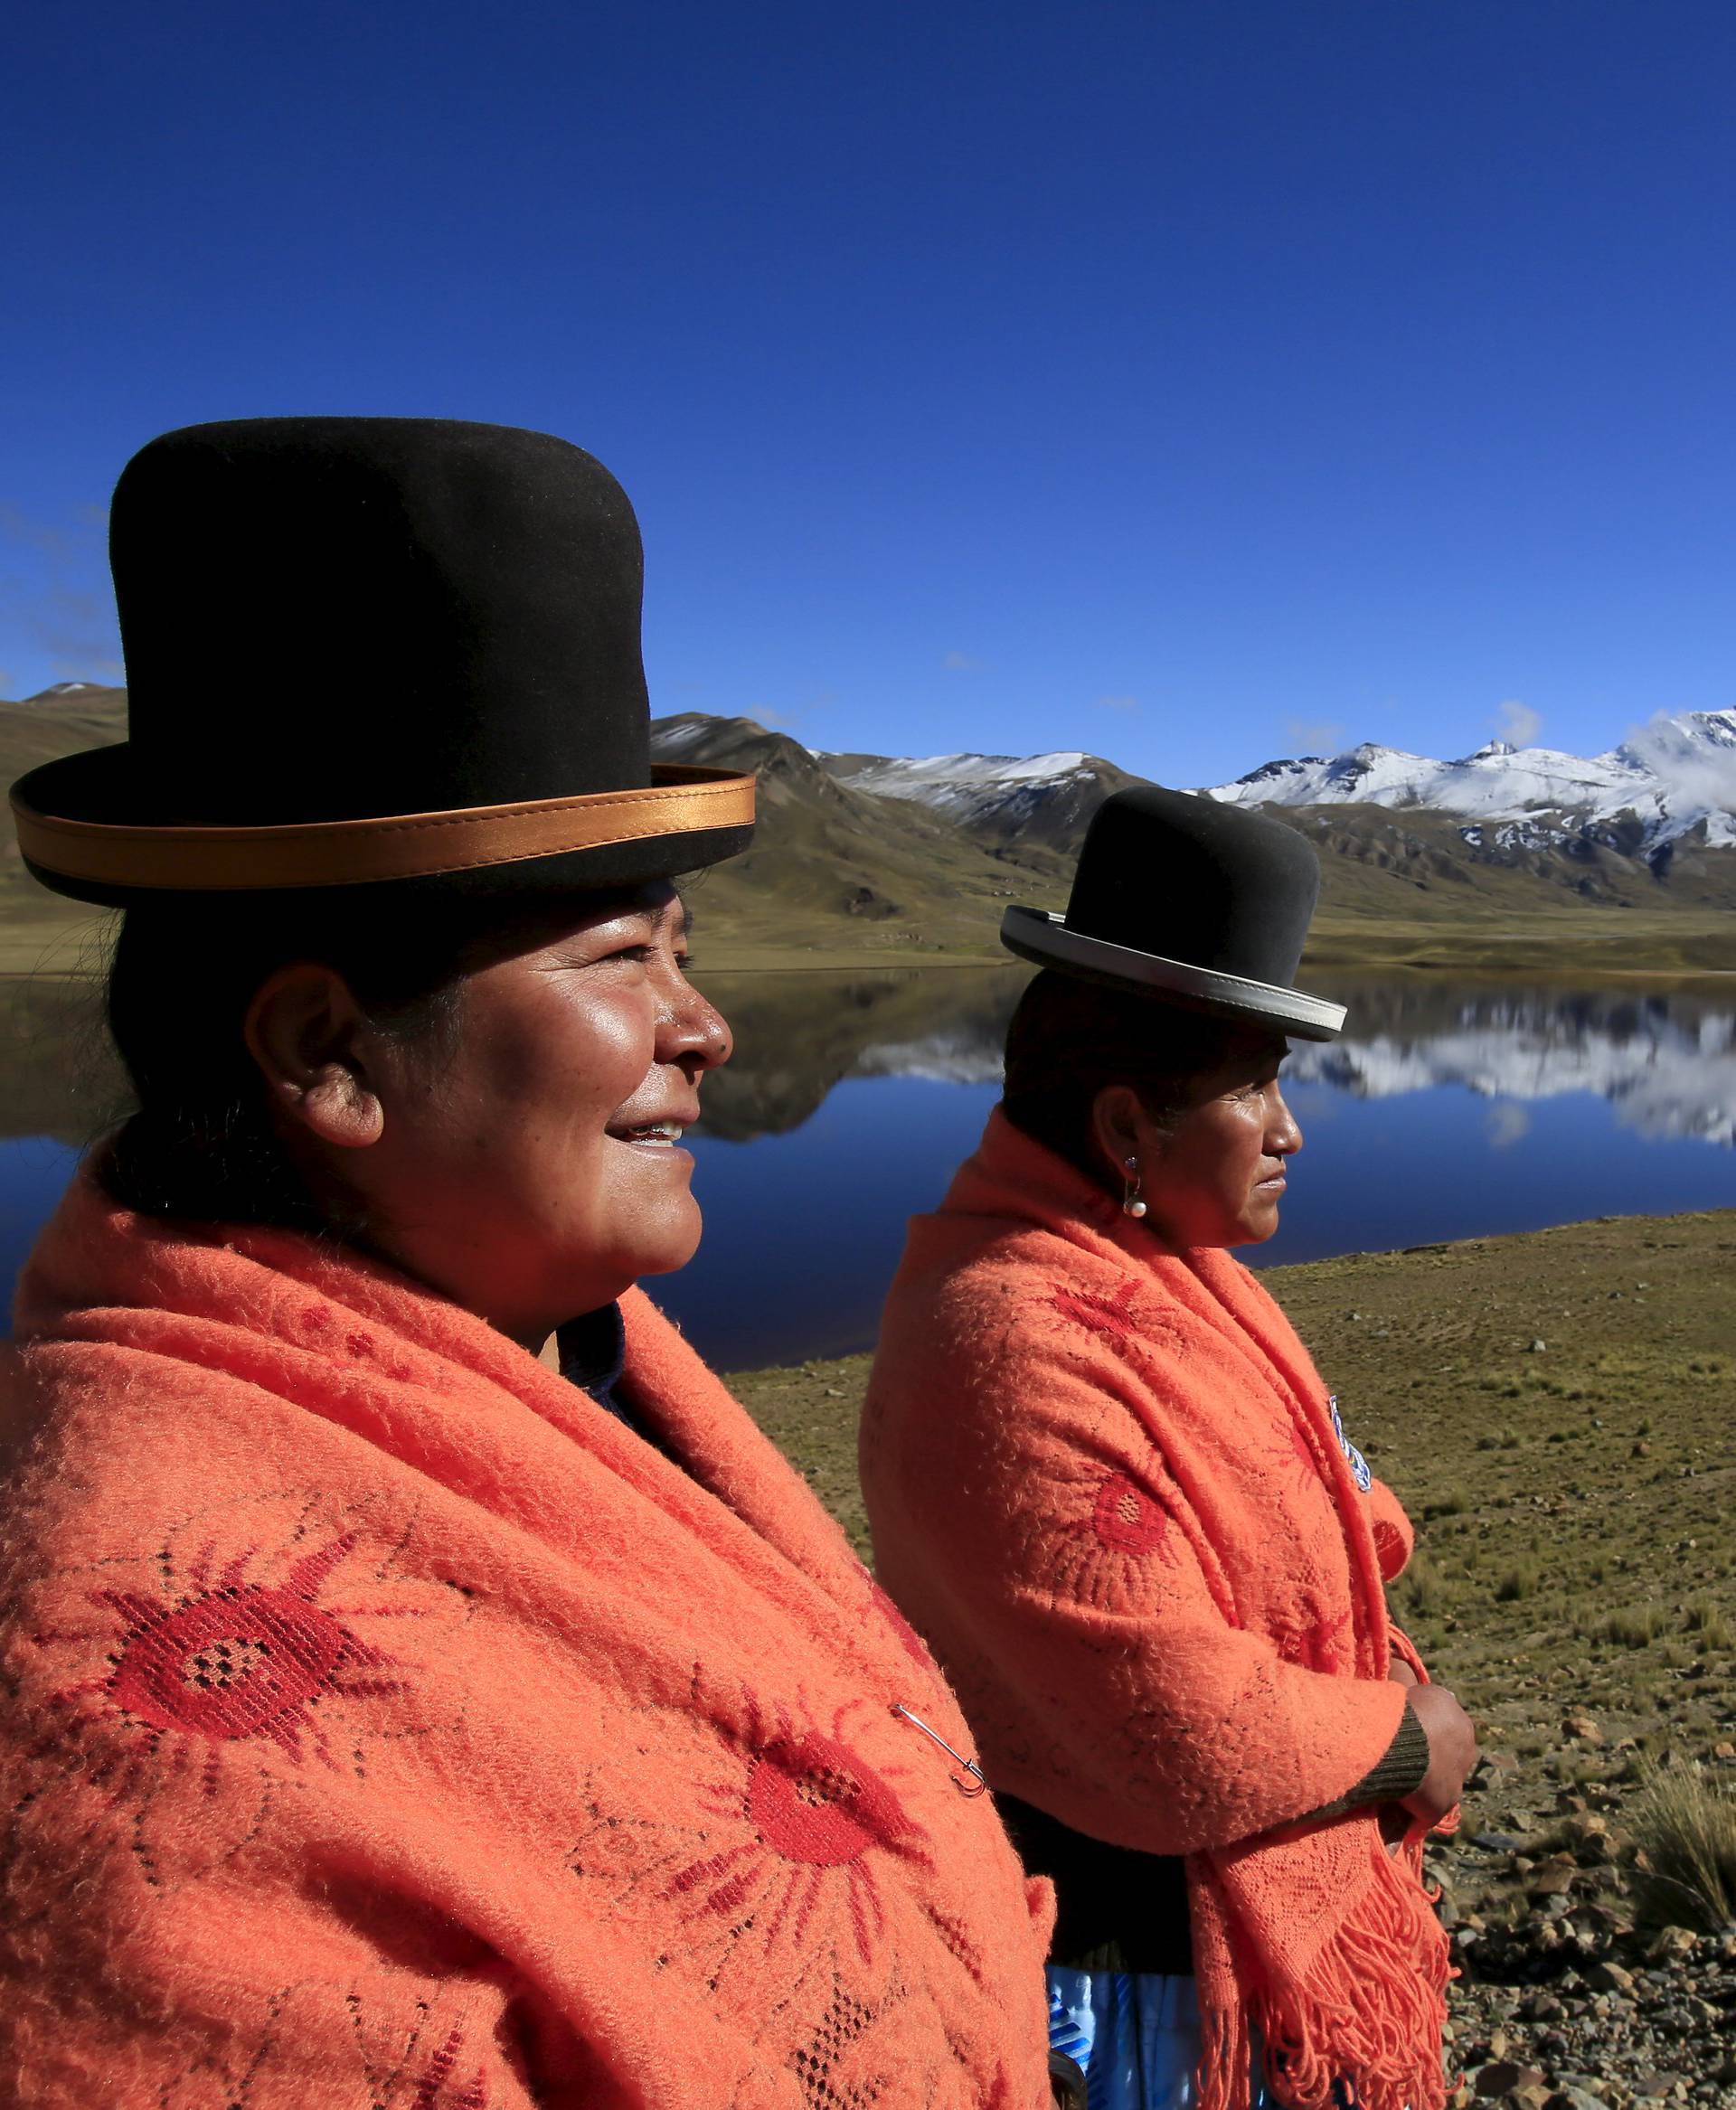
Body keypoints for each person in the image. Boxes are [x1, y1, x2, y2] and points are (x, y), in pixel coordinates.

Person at [0, 419, 1058, 2109]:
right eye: (623, 954)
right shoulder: (147, 1750)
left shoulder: (581, 1361)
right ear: (329, 1050)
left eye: (687, 952)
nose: (704, 1029)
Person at [861, 788, 1477, 2110]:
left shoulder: (1159, 1275)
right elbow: (1171, 1733)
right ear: (1129, 1130)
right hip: (1133, 1996)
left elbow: (1348, 1508)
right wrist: (1410, 1743)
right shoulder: (1010, 1344)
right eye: (1256, 1084)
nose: (1292, 1129)